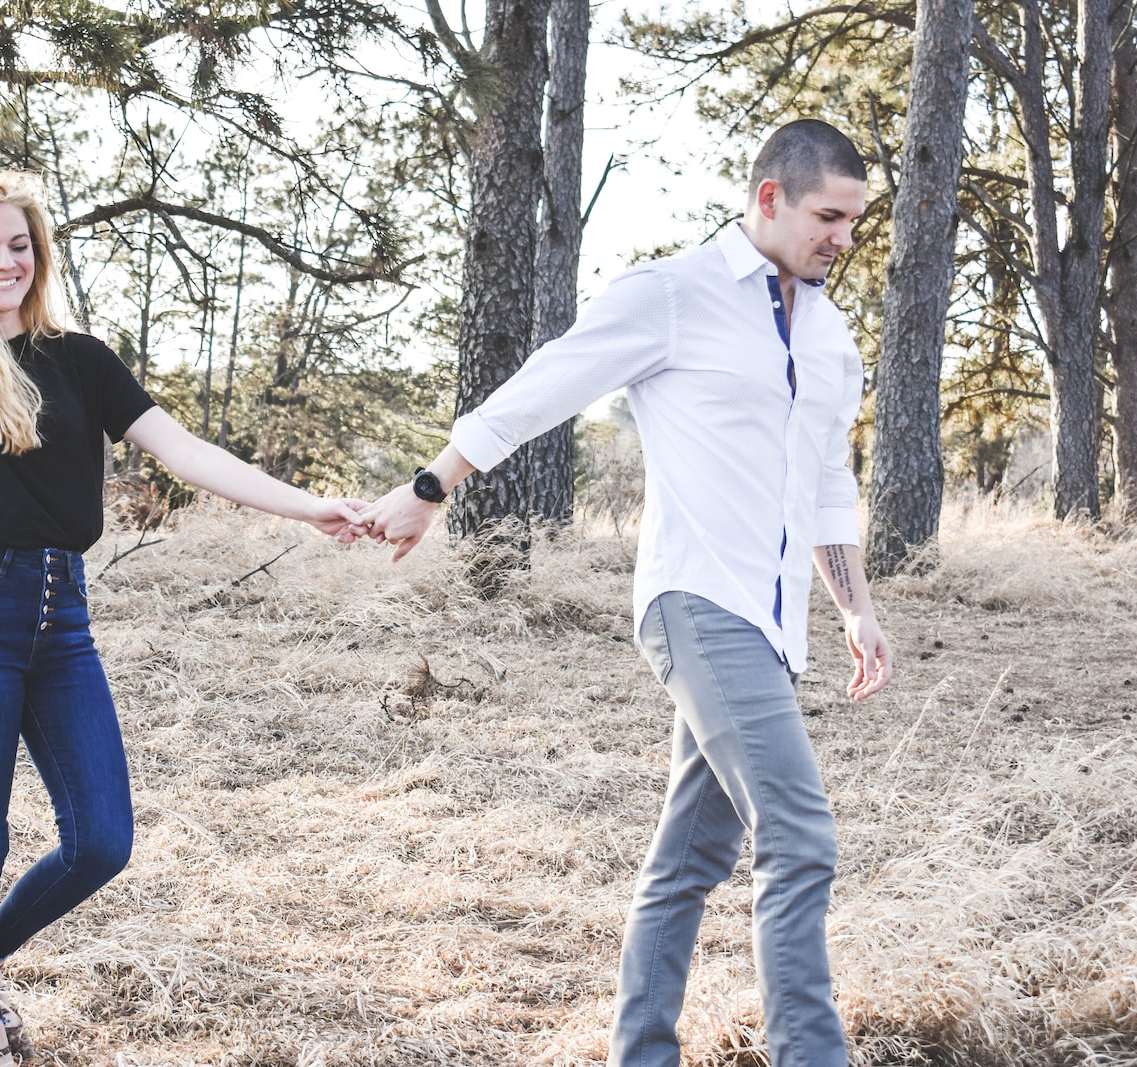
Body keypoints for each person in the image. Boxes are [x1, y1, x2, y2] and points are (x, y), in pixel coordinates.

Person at [359, 119, 894, 1067]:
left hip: (775, 627)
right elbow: (543, 387)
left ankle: (638, 1052)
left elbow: (825, 483)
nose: (842, 239)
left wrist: (853, 604)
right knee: (801, 832)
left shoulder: (832, 334)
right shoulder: (673, 294)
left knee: (690, 859)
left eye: (853, 221)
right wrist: (431, 485)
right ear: (768, 198)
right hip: (694, 601)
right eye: (828, 217)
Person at [0, 172, 365, 1061]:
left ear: (39, 250)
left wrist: (306, 505)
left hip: (64, 619)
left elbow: (185, 451)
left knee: (102, 838)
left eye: (18, 244)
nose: (5, 262)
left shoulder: (80, 360)